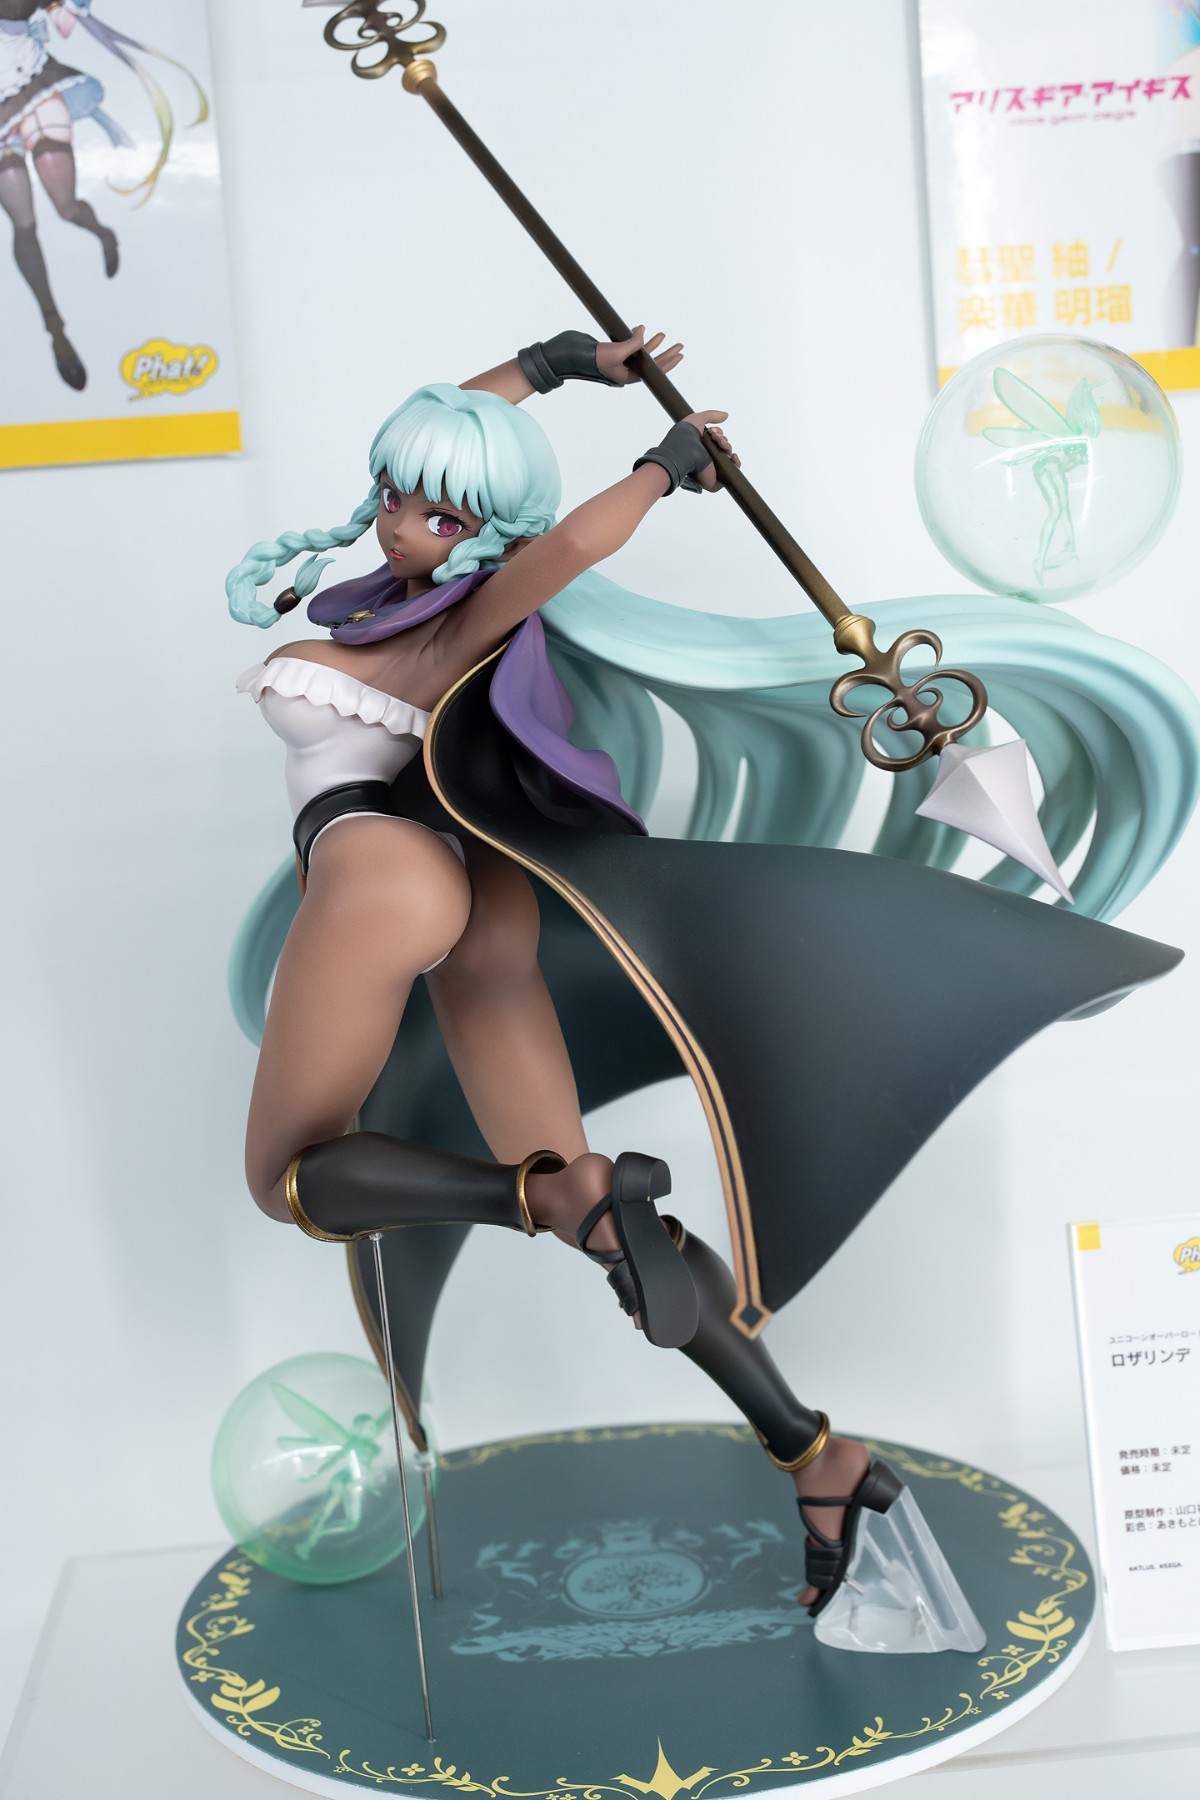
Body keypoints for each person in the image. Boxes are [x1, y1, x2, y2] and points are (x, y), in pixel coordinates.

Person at [227, 328, 1192, 1625]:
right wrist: (554, 366)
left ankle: (523, 1195)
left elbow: (562, 546)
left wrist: (662, 469)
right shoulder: (407, 577)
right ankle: (816, 1453)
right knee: (597, 1214)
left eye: (438, 513)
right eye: (398, 494)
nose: (403, 520)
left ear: (481, 538)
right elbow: (458, 429)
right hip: (477, 900)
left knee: (291, 1178)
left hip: (379, 866)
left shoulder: (458, 611)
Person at [0, 0, 206, 388]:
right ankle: (56, 332)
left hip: (33, 89)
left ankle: (102, 233)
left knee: (66, 207)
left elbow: (63, 20)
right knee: (23, 223)